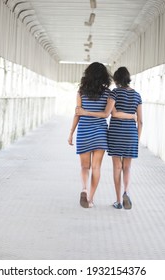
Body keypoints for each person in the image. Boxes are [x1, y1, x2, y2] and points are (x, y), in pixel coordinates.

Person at [76, 66, 142, 210]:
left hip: (115, 133)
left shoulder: (114, 93)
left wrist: (72, 130)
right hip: (128, 133)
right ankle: (126, 192)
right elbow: (141, 121)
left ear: (116, 79)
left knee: (115, 167)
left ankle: (116, 200)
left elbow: (113, 113)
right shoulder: (136, 95)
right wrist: (136, 132)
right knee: (126, 167)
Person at [68, 62, 112, 208]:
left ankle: (84, 188)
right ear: (104, 76)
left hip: (84, 132)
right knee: (96, 167)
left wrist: (71, 133)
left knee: (84, 166)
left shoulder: (81, 92)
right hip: (100, 133)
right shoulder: (107, 93)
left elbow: (77, 114)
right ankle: (90, 199)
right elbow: (106, 114)